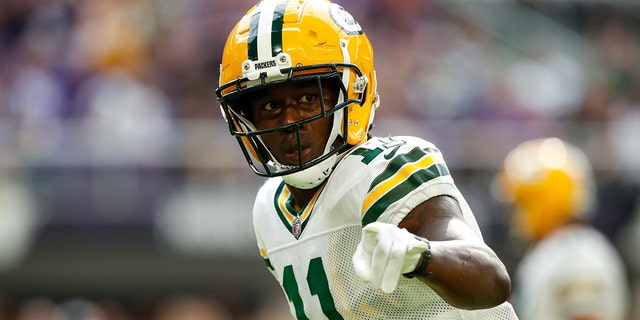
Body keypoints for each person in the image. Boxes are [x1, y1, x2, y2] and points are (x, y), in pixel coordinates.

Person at [216, 0, 518, 318]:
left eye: (308, 98)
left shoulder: (384, 169)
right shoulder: (268, 209)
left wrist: (421, 256)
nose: (291, 120)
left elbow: (491, 280)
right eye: (270, 107)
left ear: (353, 92)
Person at [493, 137, 629, 320]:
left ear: (546, 199)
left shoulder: (576, 255)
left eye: (523, 204)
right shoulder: (556, 250)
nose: (515, 215)